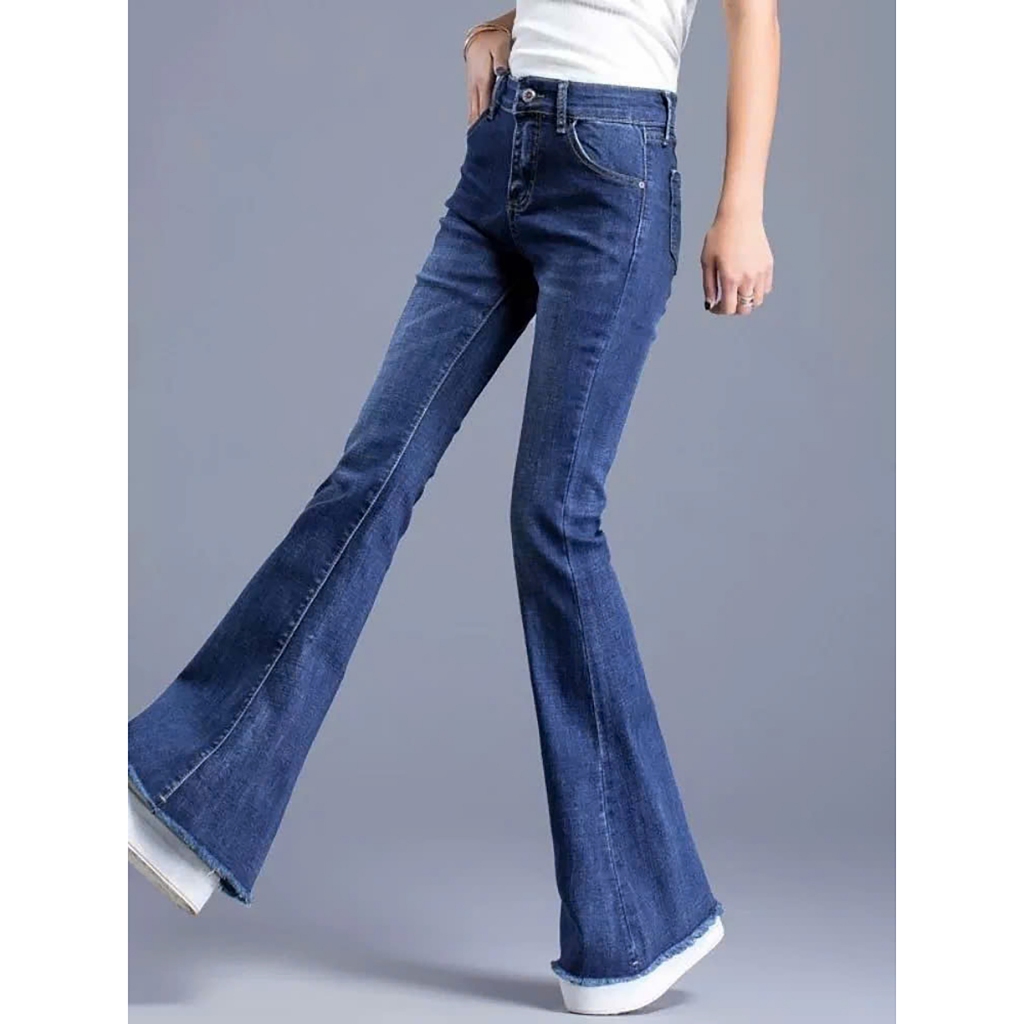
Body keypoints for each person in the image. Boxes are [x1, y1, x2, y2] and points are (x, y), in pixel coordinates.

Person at [128, 1, 779, 1014]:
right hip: (505, 152)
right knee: (371, 471)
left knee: (555, 521)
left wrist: (742, 206)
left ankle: (638, 921)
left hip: (614, 168)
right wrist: (502, 24)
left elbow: (755, 16)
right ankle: (181, 792)